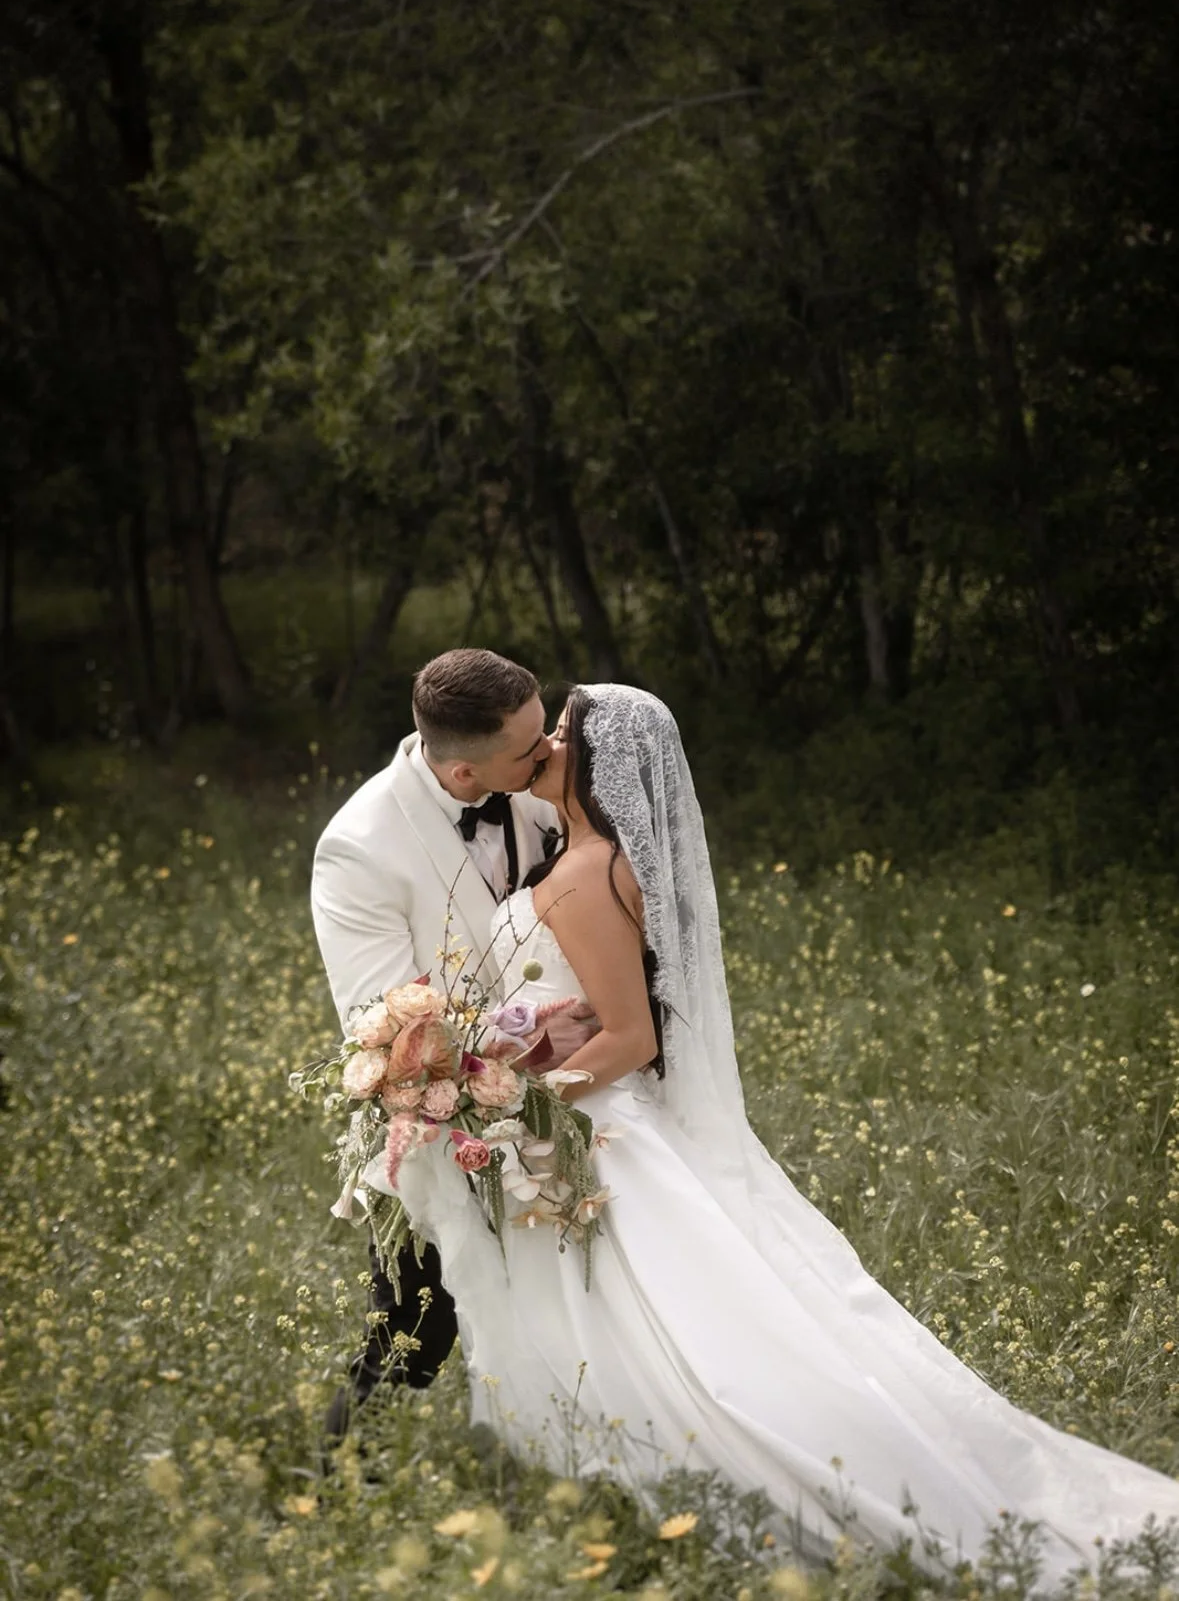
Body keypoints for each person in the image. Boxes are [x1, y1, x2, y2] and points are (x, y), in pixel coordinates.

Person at [393, 682, 1179, 1585]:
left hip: (595, 1129)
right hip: (588, 1118)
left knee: (692, 1335)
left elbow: (632, 1036)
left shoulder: (580, 877)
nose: (545, 747)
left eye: (561, 735)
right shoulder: (580, 860)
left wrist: (510, 1101)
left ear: (599, 763)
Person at [310, 648, 590, 1439]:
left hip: (573, 1094)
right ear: (467, 774)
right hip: (438, 1122)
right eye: (532, 748)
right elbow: (390, 1028)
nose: (553, 755)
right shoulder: (359, 848)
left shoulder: (539, 792)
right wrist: (530, 1042)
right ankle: (339, 1479)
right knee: (414, 1328)